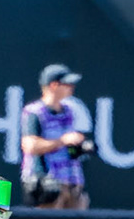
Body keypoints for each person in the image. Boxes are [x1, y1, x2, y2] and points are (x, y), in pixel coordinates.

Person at [20, 64, 91, 209]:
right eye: (67, 84)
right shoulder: (35, 112)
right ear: (53, 85)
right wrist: (62, 141)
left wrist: (78, 146)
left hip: (72, 183)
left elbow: (69, 146)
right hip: (48, 183)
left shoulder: (69, 111)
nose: (71, 87)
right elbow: (30, 146)